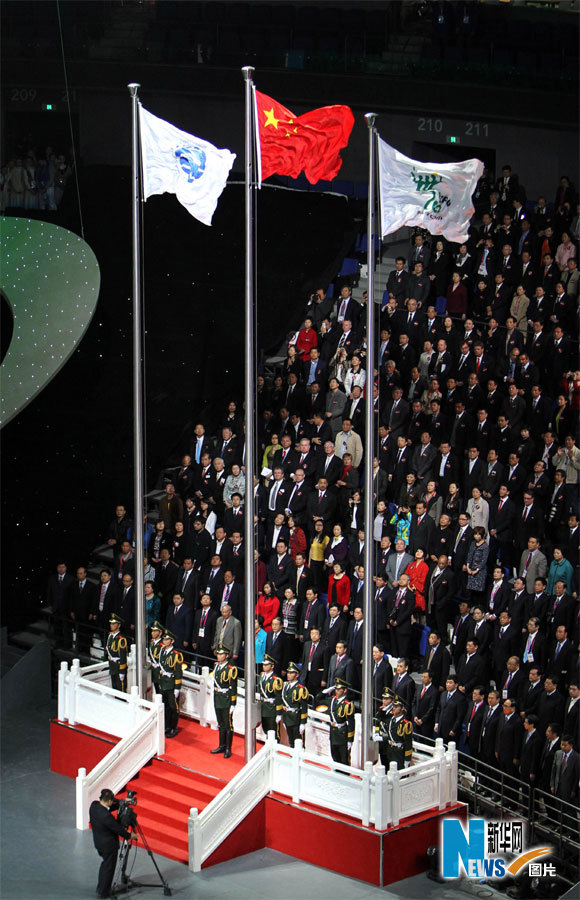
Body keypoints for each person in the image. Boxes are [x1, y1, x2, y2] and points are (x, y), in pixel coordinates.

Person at [89, 788, 131, 899]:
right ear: (108, 801)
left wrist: (121, 802)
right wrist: (130, 836)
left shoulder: (94, 806)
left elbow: (110, 806)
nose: (113, 803)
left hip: (99, 843)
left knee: (105, 866)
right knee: (109, 868)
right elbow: (118, 829)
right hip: (108, 846)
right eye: (112, 801)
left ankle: (101, 888)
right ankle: (104, 893)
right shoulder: (107, 817)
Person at [211, 644, 238, 758]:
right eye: (218, 653)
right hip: (218, 697)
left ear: (226, 656)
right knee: (221, 723)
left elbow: (233, 688)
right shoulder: (216, 666)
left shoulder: (231, 669)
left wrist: (233, 703)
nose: (219, 656)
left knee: (228, 725)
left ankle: (228, 748)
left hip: (226, 698)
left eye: (221, 654)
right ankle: (221, 745)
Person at [158, 628, 183, 738]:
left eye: (167, 639)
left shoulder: (176, 655)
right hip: (164, 682)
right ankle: (167, 725)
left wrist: (177, 687)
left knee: (173, 707)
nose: (164, 641)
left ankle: (174, 727)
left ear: (172, 641)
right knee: (166, 705)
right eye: (164, 639)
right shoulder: (162, 651)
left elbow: (178, 672)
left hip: (171, 683)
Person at [328, 678, 355, 766]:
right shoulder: (333, 701)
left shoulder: (348, 705)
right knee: (334, 757)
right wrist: (328, 690)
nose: (336, 691)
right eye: (336, 689)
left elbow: (351, 723)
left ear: (344, 690)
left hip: (342, 734)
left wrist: (350, 740)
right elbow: (318, 698)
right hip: (333, 733)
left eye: (339, 689)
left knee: (344, 760)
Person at [281, 661, 309, 747]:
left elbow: (304, 707)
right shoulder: (285, 686)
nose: (288, 674)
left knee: (299, 742)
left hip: (296, 718)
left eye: (291, 673)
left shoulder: (301, 689)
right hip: (287, 717)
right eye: (288, 672)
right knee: (291, 741)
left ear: (297, 675)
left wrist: (303, 723)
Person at [383, 695, 413, 769]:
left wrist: (407, 759)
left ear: (402, 708)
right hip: (389, 750)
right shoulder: (390, 720)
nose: (394, 708)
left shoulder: (406, 724)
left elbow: (408, 743)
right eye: (393, 706)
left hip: (399, 752)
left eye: (397, 707)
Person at [258, 653, 283, 740]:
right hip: (264, 707)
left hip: (272, 708)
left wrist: (279, 713)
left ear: (272, 666)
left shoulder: (276, 680)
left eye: (266, 665)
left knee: (273, 732)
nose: (264, 666)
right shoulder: (262, 676)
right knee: (266, 730)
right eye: (263, 664)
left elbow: (279, 697)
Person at [104, 613, 127, 692]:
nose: (111, 625)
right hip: (112, 666)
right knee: (114, 688)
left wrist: (122, 672)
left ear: (118, 625)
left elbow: (123, 657)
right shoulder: (110, 636)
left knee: (120, 689)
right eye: (111, 623)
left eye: (114, 624)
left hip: (118, 666)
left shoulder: (121, 639)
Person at [147, 621, 163, 693]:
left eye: (155, 631)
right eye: (152, 631)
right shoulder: (152, 643)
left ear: (160, 633)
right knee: (156, 690)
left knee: (161, 692)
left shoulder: (162, 645)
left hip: (160, 672)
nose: (152, 633)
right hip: (154, 671)